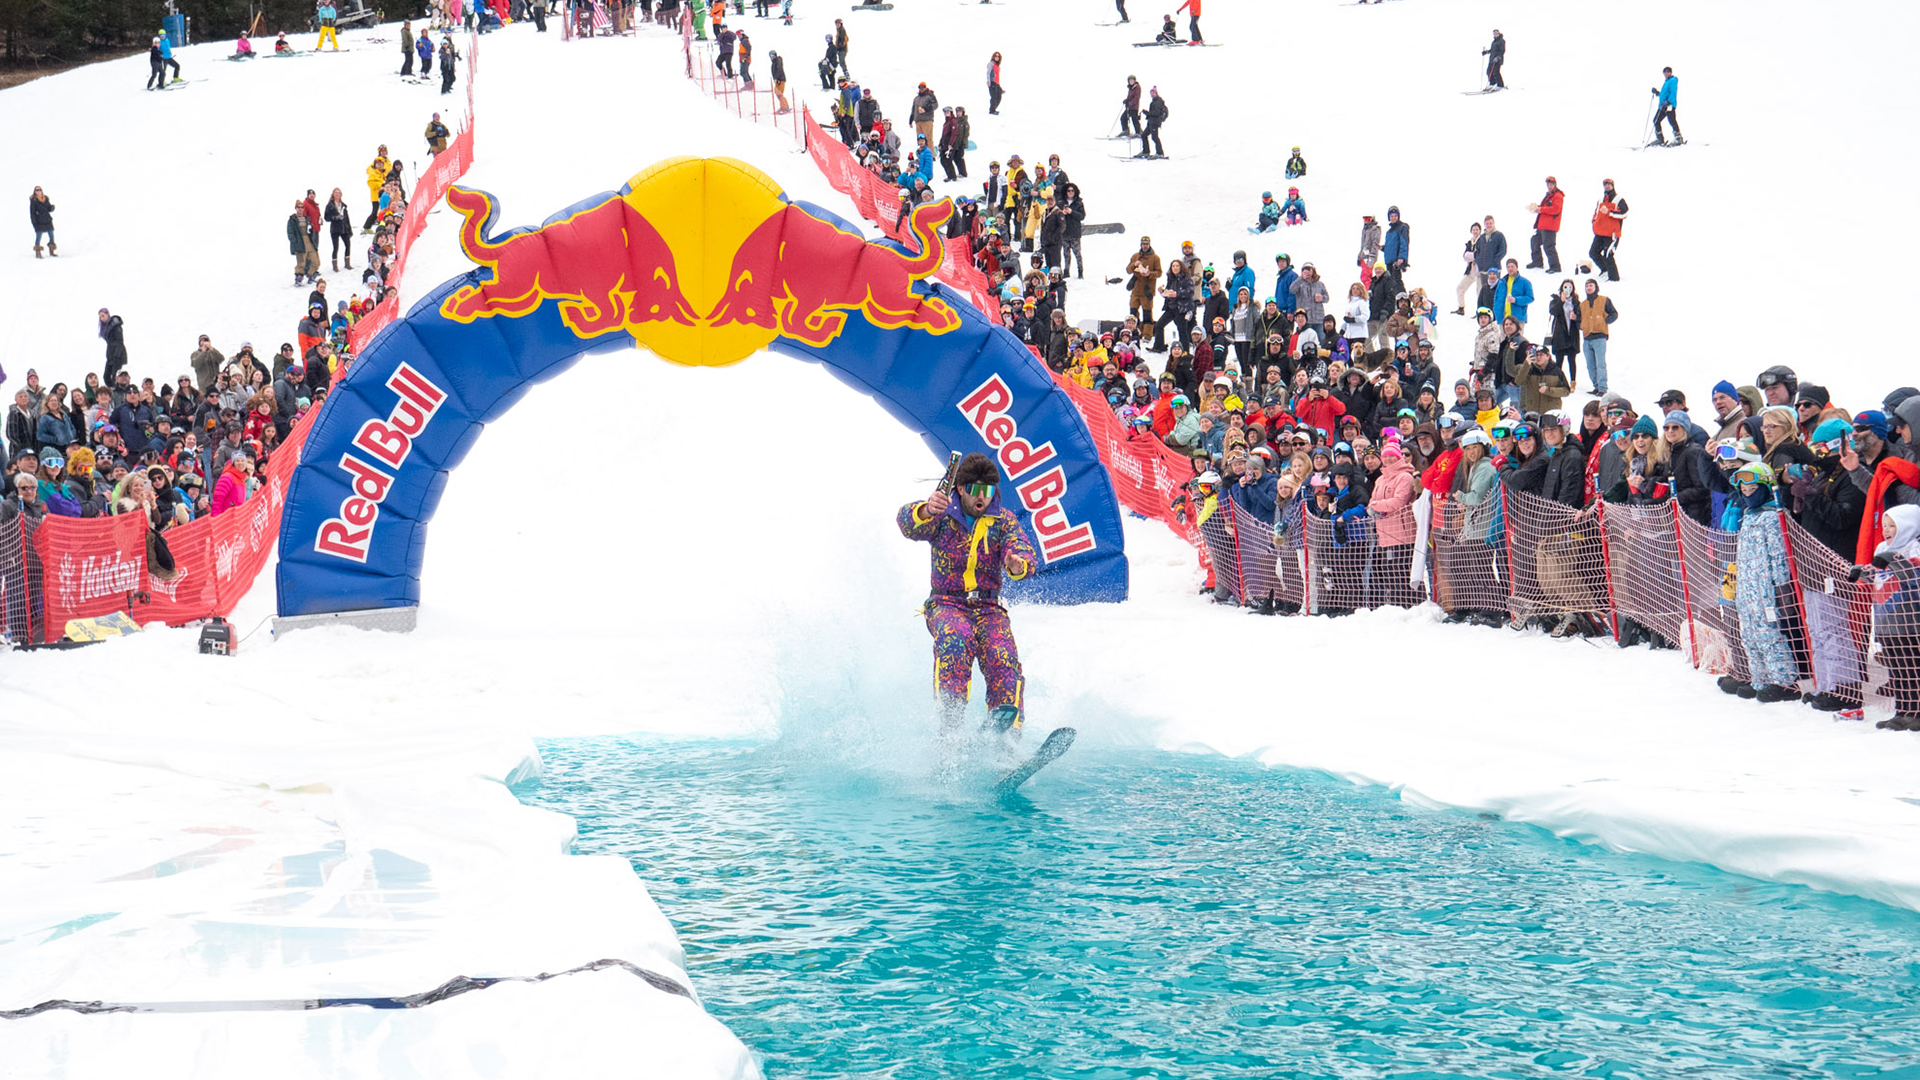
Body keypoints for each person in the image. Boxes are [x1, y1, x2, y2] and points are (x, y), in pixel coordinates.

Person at [897, 453, 1038, 738]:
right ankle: (951, 727)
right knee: (955, 639)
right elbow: (907, 524)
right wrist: (924, 510)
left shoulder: (1003, 520)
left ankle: (1006, 737)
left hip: (988, 606)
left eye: (987, 492)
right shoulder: (943, 514)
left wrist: (1018, 564)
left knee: (1003, 656)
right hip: (946, 602)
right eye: (975, 490)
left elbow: (1023, 549)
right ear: (961, 489)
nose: (981, 498)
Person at [1715, 464, 1803, 702]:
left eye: (1753, 488)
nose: (1748, 493)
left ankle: (1784, 682)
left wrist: (1781, 585)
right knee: (1750, 635)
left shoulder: (1772, 517)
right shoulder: (1748, 516)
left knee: (1769, 634)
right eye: (1744, 489)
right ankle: (1760, 678)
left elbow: (1778, 554)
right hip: (1747, 587)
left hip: (1766, 589)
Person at [1859, 506, 1920, 729]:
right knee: (1896, 668)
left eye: (1893, 525)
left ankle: (1916, 712)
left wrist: (1894, 560)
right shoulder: (1882, 547)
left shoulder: (1915, 546)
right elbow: (1879, 579)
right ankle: (1901, 710)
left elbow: (1913, 577)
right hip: (1886, 620)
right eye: (1884, 525)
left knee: (1911, 666)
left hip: (1909, 619)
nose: (1886, 530)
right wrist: (1862, 573)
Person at [1587, 178, 1628, 282]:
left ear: (1613, 185)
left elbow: (1624, 213)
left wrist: (1610, 212)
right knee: (1593, 252)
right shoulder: (1600, 200)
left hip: (1612, 234)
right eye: (1605, 184)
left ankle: (1614, 279)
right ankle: (1605, 270)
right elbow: (1596, 214)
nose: (1607, 186)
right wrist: (1594, 224)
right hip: (1600, 233)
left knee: (1608, 255)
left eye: (1609, 184)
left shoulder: (1619, 199)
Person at [1527, 176, 1562, 273]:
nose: (1549, 186)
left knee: (1549, 246)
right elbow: (1546, 208)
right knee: (1534, 241)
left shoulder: (1557, 196)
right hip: (1542, 225)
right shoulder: (1549, 195)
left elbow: (1556, 209)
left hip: (1550, 226)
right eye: (1548, 184)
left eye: (1551, 184)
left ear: (1555, 185)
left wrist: (1541, 209)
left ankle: (1555, 267)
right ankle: (1537, 262)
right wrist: (1537, 208)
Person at [1125, 236, 1161, 325]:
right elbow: (1128, 270)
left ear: (1149, 245)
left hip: (1147, 290)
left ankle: (1147, 335)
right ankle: (1134, 333)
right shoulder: (1135, 256)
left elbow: (1159, 273)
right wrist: (1134, 264)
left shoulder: (1155, 258)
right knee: (1133, 314)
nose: (1145, 246)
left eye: (1147, 244)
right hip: (1136, 290)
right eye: (1143, 244)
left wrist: (1149, 274)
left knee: (1147, 315)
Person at [1651, 66, 1683, 146]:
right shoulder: (1667, 82)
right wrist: (1657, 93)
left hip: (1669, 105)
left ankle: (1678, 138)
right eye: (1664, 72)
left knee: (1671, 120)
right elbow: (1664, 94)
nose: (1666, 73)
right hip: (1663, 106)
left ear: (1670, 72)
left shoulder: (1672, 81)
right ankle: (1660, 139)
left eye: (1668, 72)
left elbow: (1673, 92)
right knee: (1656, 120)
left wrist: (1669, 101)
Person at [1137, 86, 1167, 158]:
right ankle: (1146, 151)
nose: (1152, 94)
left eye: (1153, 93)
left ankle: (1160, 153)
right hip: (1151, 122)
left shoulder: (1158, 101)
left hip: (1155, 123)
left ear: (1156, 93)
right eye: (1151, 93)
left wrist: (1147, 113)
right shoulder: (1154, 101)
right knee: (1144, 135)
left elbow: (1156, 112)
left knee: (1154, 137)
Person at [29, 185, 54, 259]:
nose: (38, 191)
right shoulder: (34, 200)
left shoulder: (45, 198)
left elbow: (48, 208)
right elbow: (32, 212)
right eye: (37, 190)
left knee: (51, 234)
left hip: (47, 219)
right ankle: (38, 252)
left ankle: (52, 251)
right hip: (39, 221)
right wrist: (34, 222)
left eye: (39, 189)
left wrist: (51, 208)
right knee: (38, 236)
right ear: (35, 192)